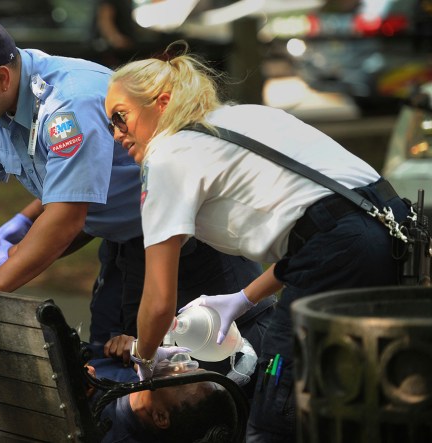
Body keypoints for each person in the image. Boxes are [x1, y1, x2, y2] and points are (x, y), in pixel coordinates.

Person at [104, 41, 410, 441]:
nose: (115, 134)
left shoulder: (167, 155)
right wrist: (245, 297)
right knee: (358, 399)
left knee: (277, 413)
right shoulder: (245, 117)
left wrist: (145, 359)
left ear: (161, 103)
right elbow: (318, 224)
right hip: (391, 232)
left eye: (120, 117)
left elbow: (159, 300)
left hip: (344, 249)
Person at [0, 15, 271, 347]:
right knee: (109, 363)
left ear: (2, 77)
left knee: (220, 368)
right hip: (125, 241)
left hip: (197, 244)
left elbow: (67, 215)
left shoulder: (68, 105)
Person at [87, 347, 239, 442]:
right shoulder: (130, 362)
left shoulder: (101, 431)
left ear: (160, 417)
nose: (180, 366)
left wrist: (68, 383)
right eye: (192, 369)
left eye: (182, 381)